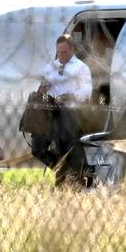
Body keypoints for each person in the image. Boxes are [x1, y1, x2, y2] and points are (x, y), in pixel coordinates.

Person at [33, 34, 93, 186]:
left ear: (72, 49)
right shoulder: (49, 68)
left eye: (64, 51)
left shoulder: (81, 67)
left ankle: (73, 181)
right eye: (58, 51)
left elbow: (87, 91)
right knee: (37, 148)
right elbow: (42, 91)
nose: (61, 55)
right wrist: (42, 90)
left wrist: (71, 96)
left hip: (71, 115)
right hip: (51, 114)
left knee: (68, 149)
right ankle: (63, 169)